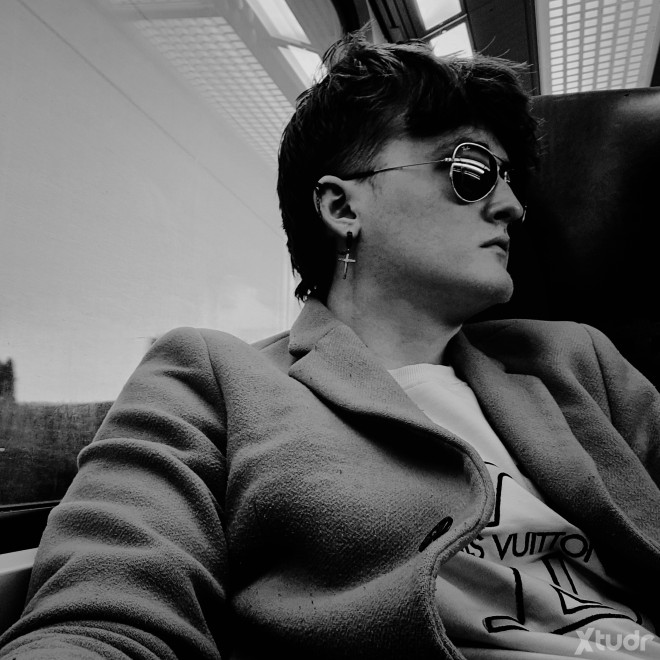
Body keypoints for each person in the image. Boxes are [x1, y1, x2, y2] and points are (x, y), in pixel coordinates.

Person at [1, 33, 659, 660]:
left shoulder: (575, 361)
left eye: (509, 179)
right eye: (472, 170)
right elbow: (108, 614)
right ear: (342, 208)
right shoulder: (213, 379)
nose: (511, 205)